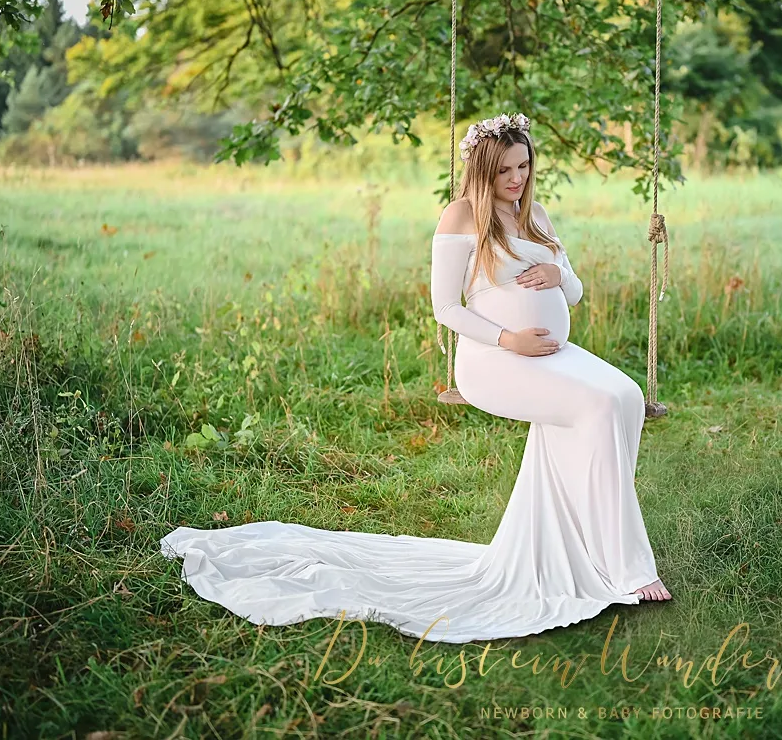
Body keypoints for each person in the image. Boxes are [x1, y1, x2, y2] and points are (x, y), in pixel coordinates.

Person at [159, 112, 669, 646]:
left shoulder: (535, 214)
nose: (516, 179)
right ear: (482, 173)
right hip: (494, 359)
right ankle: (629, 566)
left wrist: (559, 275)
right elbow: (445, 307)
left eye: (523, 166)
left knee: (627, 396)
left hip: (551, 353)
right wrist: (509, 339)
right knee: (598, 407)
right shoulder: (460, 218)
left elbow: (574, 294)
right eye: (504, 172)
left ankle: (582, 546)